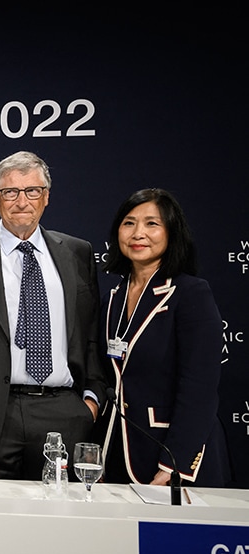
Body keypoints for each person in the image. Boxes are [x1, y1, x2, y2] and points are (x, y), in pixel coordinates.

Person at [0, 151, 105, 479]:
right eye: (10, 192)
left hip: (63, 413)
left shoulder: (78, 253)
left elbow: (91, 333)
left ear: (47, 197)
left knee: (61, 525)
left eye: (32, 191)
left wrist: (91, 400)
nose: (21, 201)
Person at [99, 188, 230, 486]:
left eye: (152, 224)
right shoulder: (113, 298)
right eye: (129, 222)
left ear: (172, 232)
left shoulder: (190, 293)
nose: (138, 233)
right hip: (121, 454)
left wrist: (175, 464)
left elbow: (200, 388)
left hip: (172, 456)